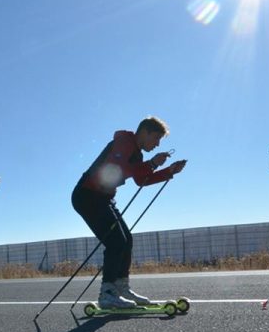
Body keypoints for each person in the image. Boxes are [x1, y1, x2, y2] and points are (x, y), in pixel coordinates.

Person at [73, 116, 187, 308]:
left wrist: (168, 171)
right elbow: (119, 169)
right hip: (88, 195)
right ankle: (107, 294)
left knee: (126, 240)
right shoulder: (124, 142)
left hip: (102, 198)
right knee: (116, 241)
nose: (157, 144)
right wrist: (152, 164)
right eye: (156, 139)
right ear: (145, 132)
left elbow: (141, 180)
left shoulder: (137, 154)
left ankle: (120, 288)